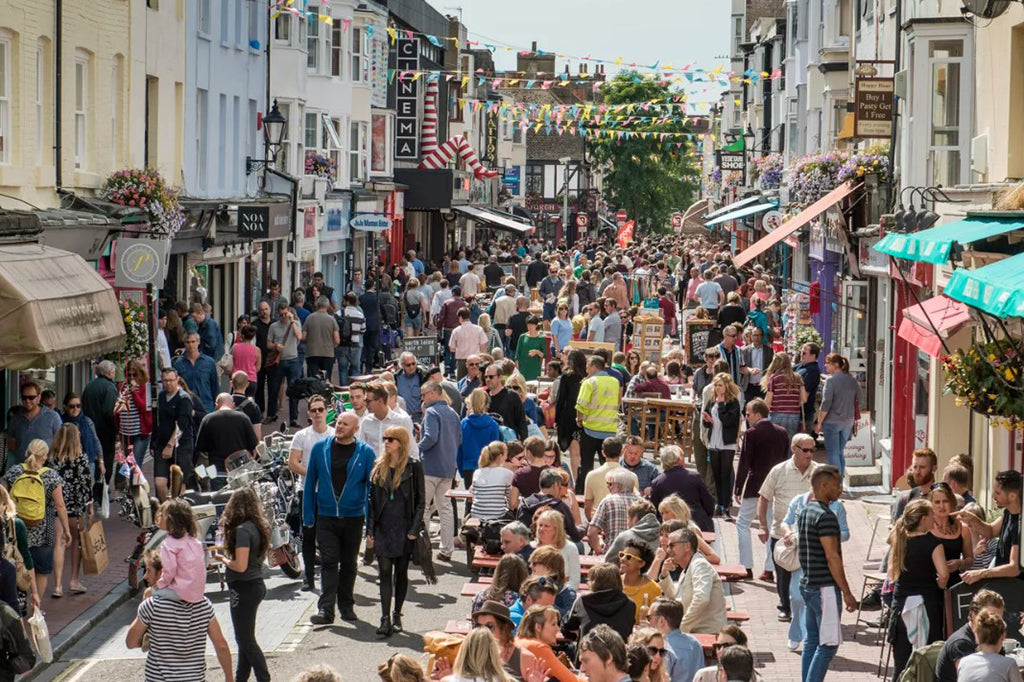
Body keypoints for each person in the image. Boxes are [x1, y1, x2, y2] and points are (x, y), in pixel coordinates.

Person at [303, 413, 376, 625]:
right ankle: (326, 610)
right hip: (326, 515)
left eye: (345, 424)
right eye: (338, 423)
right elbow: (310, 483)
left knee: (349, 563)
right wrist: (309, 515)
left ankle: (346, 605)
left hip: (353, 516)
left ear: (355, 429)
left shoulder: (366, 453)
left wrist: (371, 521)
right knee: (328, 561)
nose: (340, 427)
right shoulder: (320, 449)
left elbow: (371, 489)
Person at [796, 466, 858, 682]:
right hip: (825, 589)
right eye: (837, 484)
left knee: (812, 640)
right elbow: (833, 557)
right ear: (823, 486)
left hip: (808, 585)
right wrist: (847, 592)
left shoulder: (806, 510)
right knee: (829, 645)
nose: (840, 489)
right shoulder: (826, 516)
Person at [366, 426, 425, 638]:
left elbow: (420, 501)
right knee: (383, 572)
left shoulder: (413, 466)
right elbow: (372, 502)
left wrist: (414, 528)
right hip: (383, 526)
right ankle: (384, 618)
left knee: (400, 573)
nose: (387, 442)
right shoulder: (378, 466)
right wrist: (370, 528)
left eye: (391, 439)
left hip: (403, 527)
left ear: (401, 442)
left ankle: (397, 614)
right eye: (385, 439)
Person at [212, 488, 271, 682]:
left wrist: (223, 559)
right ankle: (241, 678)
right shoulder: (258, 527)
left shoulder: (242, 531)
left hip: (243, 589)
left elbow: (240, 565)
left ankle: (264, 677)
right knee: (245, 638)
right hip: (254, 585)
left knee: (245, 639)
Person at [780, 488, 850, 652]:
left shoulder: (837, 507)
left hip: (823, 560)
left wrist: (827, 535)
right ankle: (796, 633)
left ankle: (809, 639)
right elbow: (785, 522)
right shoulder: (799, 501)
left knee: (816, 603)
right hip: (801, 557)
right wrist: (789, 533)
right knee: (796, 597)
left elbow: (846, 533)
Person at [886, 498, 947, 681]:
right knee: (929, 658)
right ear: (922, 519)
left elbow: (892, 572)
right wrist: (940, 585)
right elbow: (943, 574)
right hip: (927, 603)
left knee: (901, 663)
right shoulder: (933, 543)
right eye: (931, 515)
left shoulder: (900, 539)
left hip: (901, 604)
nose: (934, 519)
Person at [3, 440, 70, 600]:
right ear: (45, 456)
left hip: (17, 530)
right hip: (43, 532)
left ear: (27, 452)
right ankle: (36, 606)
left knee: (17, 565)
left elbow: (3, 498)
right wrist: (66, 531)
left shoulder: (14, 471)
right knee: (41, 571)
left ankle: (19, 602)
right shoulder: (51, 476)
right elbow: (60, 506)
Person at [731, 399, 789, 582]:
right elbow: (785, 460)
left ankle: (745, 567)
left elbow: (744, 462)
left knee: (742, 523)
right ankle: (770, 569)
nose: (746, 418)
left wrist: (738, 486)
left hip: (756, 485)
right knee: (773, 526)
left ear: (757, 414)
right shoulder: (782, 432)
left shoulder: (751, 433)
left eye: (747, 414)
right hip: (776, 486)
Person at [287, 395, 333, 591]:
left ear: (326, 411)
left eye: (320, 410)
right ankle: (308, 576)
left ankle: (327, 573)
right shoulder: (302, 436)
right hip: (307, 491)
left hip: (329, 493)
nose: (317, 414)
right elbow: (292, 463)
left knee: (327, 535)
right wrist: (314, 475)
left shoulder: (333, 434)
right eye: (313, 410)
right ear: (308, 414)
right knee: (308, 534)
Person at [48, 424, 92, 598]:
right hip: (76, 507)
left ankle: (57, 585)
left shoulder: (52, 458)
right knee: (76, 542)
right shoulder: (80, 458)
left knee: (59, 543)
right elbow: (86, 484)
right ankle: (74, 580)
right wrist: (89, 507)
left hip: (58, 506)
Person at [418, 382, 461, 561]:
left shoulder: (432, 412)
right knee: (445, 509)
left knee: (424, 509)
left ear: (434, 393)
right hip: (448, 467)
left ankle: (423, 550)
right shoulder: (453, 413)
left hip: (429, 467)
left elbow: (430, 437)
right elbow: (458, 439)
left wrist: (416, 448)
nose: (422, 398)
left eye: (424, 394)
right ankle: (446, 549)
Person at [656, 528, 727, 634]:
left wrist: (682, 627)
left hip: (706, 635)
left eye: (672, 545)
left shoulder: (699, 565)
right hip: (693, 633)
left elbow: (701, 599)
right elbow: (675, 598)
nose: (668, 550)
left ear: (687, 546)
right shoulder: (688, 568)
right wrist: (664, 574)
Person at [960, 469, 1024, 583]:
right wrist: (972, 518)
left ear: (1013, 496)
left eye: (998, 493)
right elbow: (991, 531)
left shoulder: (1020, 526)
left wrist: (982, 573)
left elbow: (1015, 568)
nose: (994, 496)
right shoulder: (1008, 514)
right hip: (1006, 587)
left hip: (1017, 591)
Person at [934, 589, 1005, 682]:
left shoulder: (991, 638)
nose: (993, 623)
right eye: (989, 617)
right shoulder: (961, 643)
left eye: (998, 619)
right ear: (973, 615)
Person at [575, 355, 620, 495]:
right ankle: (611, 493)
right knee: (610, 466)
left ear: (595, 366)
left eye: (588, 366)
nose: (586, 369)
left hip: (590, 430)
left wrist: (579, 420)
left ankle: (582, 493)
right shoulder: (615, 381)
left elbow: (580, 405)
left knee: (586, 466)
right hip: (610, 430)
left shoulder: (589, 382)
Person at [195, 394, 259, 490]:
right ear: (232, 404)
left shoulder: (208, 419)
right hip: (240, 470)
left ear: (216, 404)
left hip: (217, 470)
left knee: (219, 500)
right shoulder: (243, 418)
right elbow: (253, 444)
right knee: (242, 501)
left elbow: (201, 446)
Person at [701, 373, 741, 519]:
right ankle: (719, 504)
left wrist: (722, 405)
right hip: (714, 441)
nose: (717, 388)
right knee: (716, 475)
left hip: (727, 443)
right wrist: (707, 420)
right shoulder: (712, 401)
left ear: (727, 386)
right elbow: (706, 422)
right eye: (716, 385)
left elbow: (729, 422)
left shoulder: (733, 402)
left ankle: (726, 507)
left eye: (720, 385)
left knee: (725, 474)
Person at [470, 600, 543, 682]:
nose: (483, 632)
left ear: (504, 629)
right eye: (479, 626)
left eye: (489, 627)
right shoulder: (472, 654)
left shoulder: (524, 658)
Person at [563, 562, 636, 643]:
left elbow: (567, 626)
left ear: (592, 582)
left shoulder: (582, 602)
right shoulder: (630, 604)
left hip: (588, 652)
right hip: (618, 653)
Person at [815, 353, 861, 481]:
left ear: (835, 365)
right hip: (848, 420)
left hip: (832, 421)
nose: (825, 365)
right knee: (840, 451)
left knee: (833, 453)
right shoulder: (852, 379)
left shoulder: (831, 381)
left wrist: (819, 422)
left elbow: (826, 403)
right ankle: (840, 480)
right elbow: (860, 399)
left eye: (827, 363)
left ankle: (836, 482)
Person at [650, 446, 716, 534]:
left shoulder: (657, 482)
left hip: (670, 529)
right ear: (679, 459)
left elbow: (655, 511)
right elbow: (709, 504)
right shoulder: (694, 477)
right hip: (698, 526)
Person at [152, 368, 195, 500]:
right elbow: (158, 421)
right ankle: (166, 509)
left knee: (179, 484)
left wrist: (170, 445)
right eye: (165, 381)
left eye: (171, 380)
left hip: (180, 447)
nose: (168, 384)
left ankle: (179, 511)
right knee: (159, 482)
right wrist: (153, 444)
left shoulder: (184, 399)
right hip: (161, 444)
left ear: (177, 380)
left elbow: (181, 425)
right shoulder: (161, 396)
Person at [515, 605, 582, 682]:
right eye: (553, 624)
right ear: (538, 627)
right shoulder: (538, 646)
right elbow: (571, 680)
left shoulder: (518, 641)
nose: (557, 629)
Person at [646, 598, 704, 682]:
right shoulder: (695, 642)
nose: (648, 623)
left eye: (649, 618)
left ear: (661, 621)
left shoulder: (663, 648)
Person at [9, 379, 63, 466]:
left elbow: (60, 443)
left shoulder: (53, 417)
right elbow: (12, 446)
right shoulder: (16, 419)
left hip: (45, 469)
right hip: (22, 469)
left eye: (31, 397)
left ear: (38, 398)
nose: (27, 401)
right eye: (24, 397)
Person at [266, 304, 303, 427]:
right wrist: (276, 346)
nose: (283, 317)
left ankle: (294, 418)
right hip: (279, 361)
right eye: (281, 315)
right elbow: (268, 344)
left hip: (293, 360)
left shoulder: (295, 324)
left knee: (293, 390)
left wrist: (292, 321)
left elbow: (299, 337)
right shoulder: (273, 326)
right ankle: (271, 414)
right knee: (274, 389)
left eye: (285, 314)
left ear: (289, 313)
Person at [588, 469, 641, 555]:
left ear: (619, 486)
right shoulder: (643, 502)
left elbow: (592, 532)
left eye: (610, 484)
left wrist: (598, 550)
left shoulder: (608, 501)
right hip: (637, 556)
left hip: (612, 553)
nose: (608, 487)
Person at [929, 481, 972, 587]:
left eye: (945, 501)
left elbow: (970, 560)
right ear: (930, 504)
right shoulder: (925, 528)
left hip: (953, 584)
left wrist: (959, 563)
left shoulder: (963, 528)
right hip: (929, 584)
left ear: (952, 502)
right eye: (937, 502)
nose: (941, 506)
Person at [360, 383, 417, 460]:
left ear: (380, 401)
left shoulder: (402, 420)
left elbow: (412, 449)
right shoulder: (366, 421)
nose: (365, 404)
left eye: (368, 401)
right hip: (374, 469)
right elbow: (362, 449)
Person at [761, 353, 807, 440]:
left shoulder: (774, 378)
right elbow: (804, 399)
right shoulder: (797, 377)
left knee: (776, 443)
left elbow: (768, 401)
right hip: (794, 415)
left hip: (776, 414)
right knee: (790, 444)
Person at [115, 360, 153, 462]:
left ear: (140, 374)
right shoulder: (123, 387)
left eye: (134, 375)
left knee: (135, 462)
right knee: (127, 463)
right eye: (129, 375)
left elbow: (144, 408)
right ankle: (129, 478)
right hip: (125, 433)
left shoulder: (145, 387)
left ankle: (134, 478)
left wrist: (134, 393)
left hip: (139, 433)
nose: (131, 378)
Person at [173, 332, 220, 415]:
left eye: (193, 342)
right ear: (184, 344)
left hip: (207, 407)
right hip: (186, 407)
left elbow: (215, 387)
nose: (191, 345)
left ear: (198, 342)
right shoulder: (178, 364)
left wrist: (218, 406)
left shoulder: (209, 362)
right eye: (188, 342)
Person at [533, 510, 581, 588]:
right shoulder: (532, 547)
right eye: (540, 525)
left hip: (562, 594)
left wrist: (555, 592)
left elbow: (574, 581)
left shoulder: (570, 548)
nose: (541, 529)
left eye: (546, 526)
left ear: (557, 529)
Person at [617, 541, 661, 623]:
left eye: (629, 557)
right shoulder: (615, 582)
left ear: (641, 563)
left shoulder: (654, 589)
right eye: (622, 555)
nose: (622, 559)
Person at [690, 627, 754, 682]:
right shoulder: (704, 676)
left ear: (742, 647)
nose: (721, 650)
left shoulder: (755, 679)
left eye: (727, 645)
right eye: (718, 646)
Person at [485, 363, 529, 440]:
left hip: (509, 442)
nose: (488, 379)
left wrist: (523, 442)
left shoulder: (512, 396)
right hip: (489, 443)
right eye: (486, 377)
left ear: (500, 377)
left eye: (491, 377)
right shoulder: (484, 396)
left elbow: (521, 422)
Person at [302, 296, 340, 380]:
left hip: (312, 352)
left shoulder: (309, 318)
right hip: (327, 353)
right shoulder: (332, 320)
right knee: (326, 379)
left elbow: (303, 337)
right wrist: (331, 346)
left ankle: (313, 393)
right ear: (327, 305)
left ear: (317, 305)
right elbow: (337, 340)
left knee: (312, 380)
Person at [449, 308, 489, 380]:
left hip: (462, 361)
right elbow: (483, 346)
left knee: (461, 382)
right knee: (477, 381)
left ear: (460, 317)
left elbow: (452, 348)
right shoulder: (478, 329)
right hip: (476, 360)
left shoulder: (456, 331)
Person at [794, 343, 821, 438]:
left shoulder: (812, 370)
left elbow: (805, 395)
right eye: (801, 352)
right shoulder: (799, 366)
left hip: (804, 413)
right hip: (796, 413)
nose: (801, 355)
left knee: (802, 444)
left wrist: (794, 407)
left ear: (813, 355)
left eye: (804, 353)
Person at [395, 352, 429, 422]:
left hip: (420, 418)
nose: (412, 367)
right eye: (408, 365)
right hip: (402, 418)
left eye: (413, 364)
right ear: (402, 365)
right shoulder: (396, 378)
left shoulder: (422, 376)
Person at [230, 325, 262, 399]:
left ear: (242, 335)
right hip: (251, 380)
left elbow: (229, 362)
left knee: (236, 402)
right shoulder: (257, 350)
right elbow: (258, 368)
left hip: (237, 379)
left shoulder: (235, 347)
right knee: (249, 402)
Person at [514, 315, 546, 382]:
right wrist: (517, 368)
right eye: (528, 324)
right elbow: (517, 353)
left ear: (536, 325)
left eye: (532, 324)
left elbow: (545, 354)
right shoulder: (522, 337)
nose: (530, 326)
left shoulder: (541, 338)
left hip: (535, 368)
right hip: (523, 368)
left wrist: (537, 352)